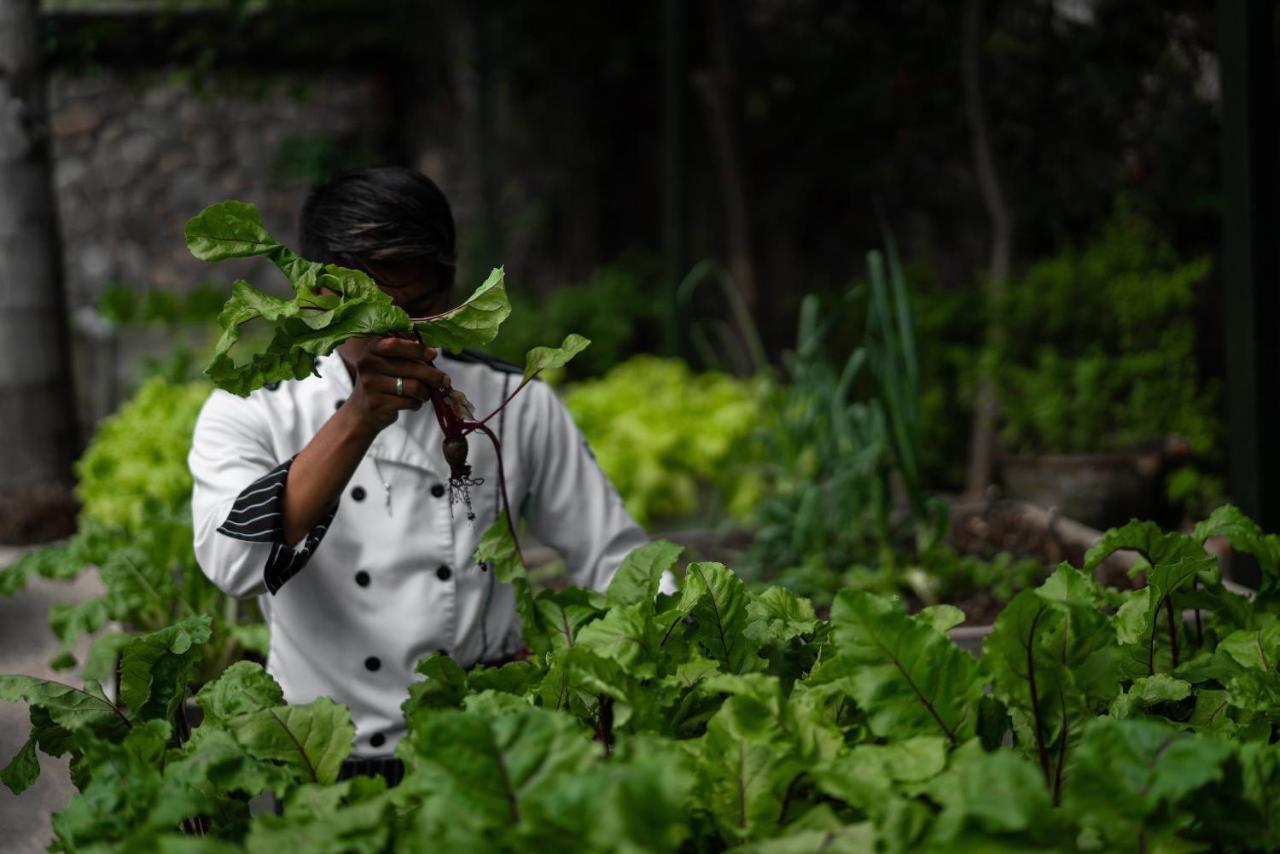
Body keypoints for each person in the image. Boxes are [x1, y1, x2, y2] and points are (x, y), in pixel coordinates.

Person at [188, 166, 648, 783]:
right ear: (314, 297)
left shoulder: (516, 401)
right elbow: (232, 566)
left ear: (450, 294)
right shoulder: (254, 409)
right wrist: (358, 419)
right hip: (318, 751)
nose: (398, 338)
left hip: (484, 745)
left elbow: (614, 557)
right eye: (368, 315)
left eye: (420, 312)